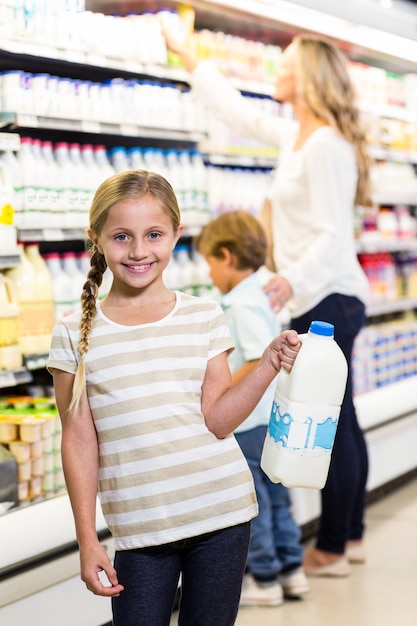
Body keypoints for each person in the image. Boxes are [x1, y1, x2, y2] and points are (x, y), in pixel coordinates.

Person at [47, 169, 301, 626]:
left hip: (222, 515)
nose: (140, 250)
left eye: (154, 235)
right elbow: (79, 441)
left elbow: (218, 419)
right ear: (96, 239)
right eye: (122, 236)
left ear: (177, 235)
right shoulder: (74, 334)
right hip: (140, 530)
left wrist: (266, 364)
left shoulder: (204, 314)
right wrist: (88, 538)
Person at [163, 29, 371, 577]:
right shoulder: (296, 137)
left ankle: (332, 546)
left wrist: (288, 279)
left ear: (307, 75)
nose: (276, 70)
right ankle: (348, 538)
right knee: (339, 419)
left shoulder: (325, 144)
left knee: (331, 419)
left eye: (286, 62)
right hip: (316, 293)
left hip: (328, 295)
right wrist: (191, 59)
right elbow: (238, 114)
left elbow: (331, 233)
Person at [195, 209, 309, 607]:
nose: (208, 274)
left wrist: (222, 386)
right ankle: (292, 571)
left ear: (225, 256)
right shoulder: (256, 298)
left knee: (254, 504)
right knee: (277, 501)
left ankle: (265, 578)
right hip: (269, 420)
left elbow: (259, 358)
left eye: (209, 262)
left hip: (247, 425)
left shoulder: (238, 306)